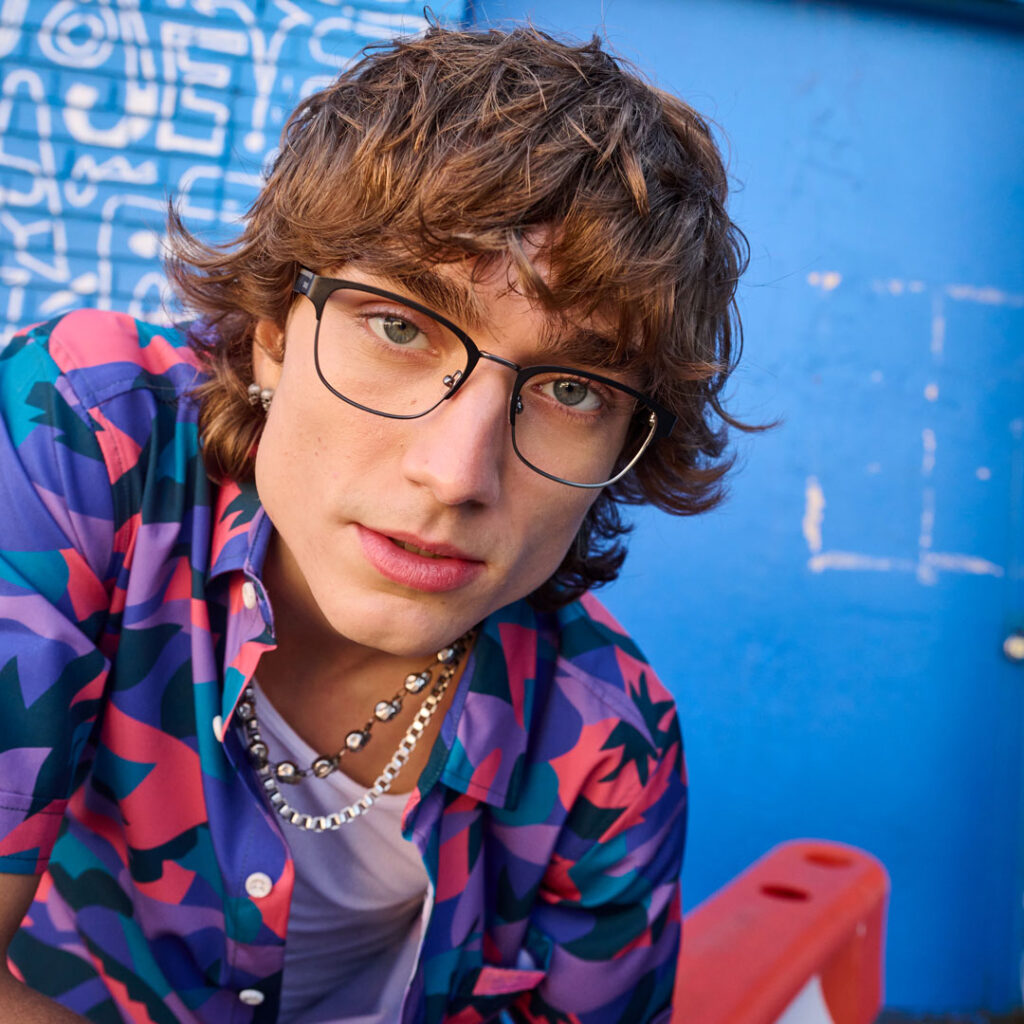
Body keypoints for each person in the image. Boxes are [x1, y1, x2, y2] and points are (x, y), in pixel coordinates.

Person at [0, 22, 749, 1024]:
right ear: (273, 333)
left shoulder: (608, 747)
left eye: (572, 389)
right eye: (398, 327)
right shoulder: (89, 439)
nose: (455, 474)